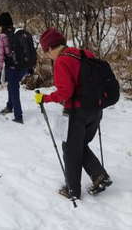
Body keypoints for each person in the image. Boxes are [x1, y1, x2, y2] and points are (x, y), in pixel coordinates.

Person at [35, 27, 112, 200]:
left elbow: (65, 93)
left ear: (49, 48)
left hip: (77, 112)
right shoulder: (84, 53)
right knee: (79, 145)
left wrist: (44, 98)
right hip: (96, 109)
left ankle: (72, 190)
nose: (47, 57)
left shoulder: (62, 61)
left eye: (46, 52)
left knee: (70, 149)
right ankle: (99, 176)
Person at [0, 12, 28, 124]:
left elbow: (1, 56)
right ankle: (10, 106)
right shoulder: (18, 32)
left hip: (12, 67)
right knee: (11, 86)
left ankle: (18, 116)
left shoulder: (2, 36)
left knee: (14, 89)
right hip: (24, 67)